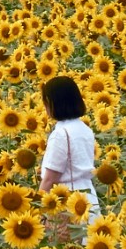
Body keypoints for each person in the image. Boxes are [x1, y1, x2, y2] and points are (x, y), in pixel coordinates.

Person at [38, 76, 99, 225]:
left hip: (67, 201)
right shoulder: (85, 129)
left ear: (56, 103)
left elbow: (50, 178)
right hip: (88, 198)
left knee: (68, 246)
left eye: (47, 101)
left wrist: (37, 210)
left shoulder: (61, 134)